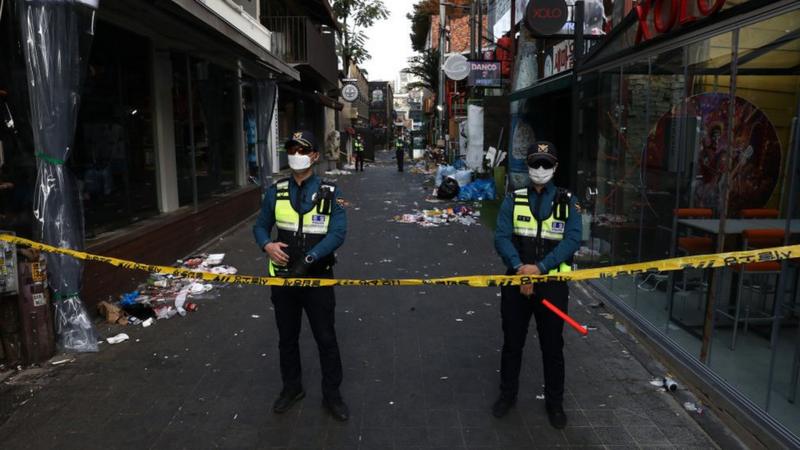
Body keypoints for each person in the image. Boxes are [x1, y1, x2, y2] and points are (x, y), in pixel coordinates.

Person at [252, 130, 349, 421]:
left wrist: (310, 259)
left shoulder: (331, 192)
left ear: (314, 156)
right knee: (287, 338)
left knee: (326, 338)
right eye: (292, 149)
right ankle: (291, 388)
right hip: (282, 279)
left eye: (303, 150)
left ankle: (332, 396)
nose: (296, 154)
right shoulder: (276, 190)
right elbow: (259, 227)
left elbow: (338, 233)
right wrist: (266, 245)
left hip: (318, 278)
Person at [492, 141, 582, 429]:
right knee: (512, 344)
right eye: (535, 164)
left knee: (552, 346)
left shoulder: (568, 201)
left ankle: (555, 404)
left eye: (546, 164)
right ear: (528, 166)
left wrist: (540, 268)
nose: (540, 169)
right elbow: (501, 237)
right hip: (517, 283)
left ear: (555, 167)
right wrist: (521, 268)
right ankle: (507, 395)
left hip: (552, 285)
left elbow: (572, 240)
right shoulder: (514, 199)